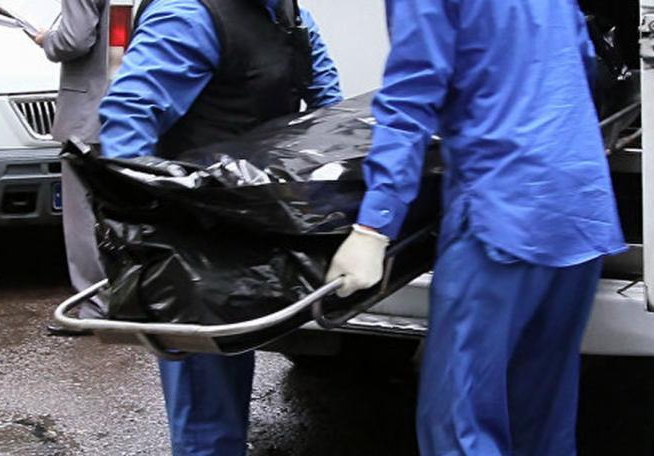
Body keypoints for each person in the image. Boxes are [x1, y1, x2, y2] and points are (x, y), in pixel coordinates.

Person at [326, 0, 626, 454]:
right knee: (540, 419)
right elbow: (583, 63)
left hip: (503, 216)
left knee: (460, 426)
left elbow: (411, 98)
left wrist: (373, 227)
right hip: (579, 206)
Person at [98, 0, 342, 454]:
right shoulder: (189, 14)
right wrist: (145, 238)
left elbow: (329, 108)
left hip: (252, 230)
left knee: (230, 380)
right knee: (206, 419)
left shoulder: (288, 13)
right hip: (193, 246)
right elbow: (128, 119)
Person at [34, 0, 111, 335]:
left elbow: (74, 40)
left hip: (90, 110)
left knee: (83, 216)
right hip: (142, 106)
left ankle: (96, 307)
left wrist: (47, 40)